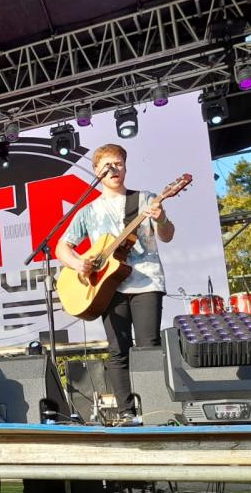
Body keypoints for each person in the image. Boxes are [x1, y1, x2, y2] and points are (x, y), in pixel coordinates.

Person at [56, 143, 175, 422]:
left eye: (119, 163)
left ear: (125, 167)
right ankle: (126, 413)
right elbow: (63, 247)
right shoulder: (87, 211)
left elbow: (167, 235)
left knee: (148, 346)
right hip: (108, 286)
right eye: (107, 165)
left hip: (146, 282)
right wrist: (78, 264)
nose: (114, 169)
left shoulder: (145, 199)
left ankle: (154, 409)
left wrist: (163, 218)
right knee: (117, 350)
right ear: (97, 172)